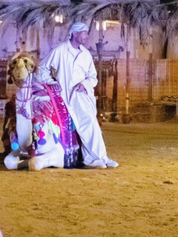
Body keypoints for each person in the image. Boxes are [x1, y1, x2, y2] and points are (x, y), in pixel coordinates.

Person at [38, 22, 118, 169]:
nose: (86, 36)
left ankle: (100, 157)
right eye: (84, 33)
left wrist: (84, 84)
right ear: (74, 33)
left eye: (87, 33)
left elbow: (93, 78)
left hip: (82, 96)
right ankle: (96, 158)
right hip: (65, 96)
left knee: (91, 123)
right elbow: (43, 69)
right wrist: (52, 82)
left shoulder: (86, 54)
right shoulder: (60, 50)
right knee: (88, 123)